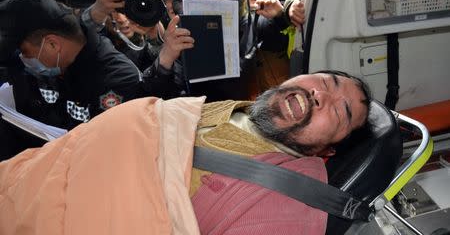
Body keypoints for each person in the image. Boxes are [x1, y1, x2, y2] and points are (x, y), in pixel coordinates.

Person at [0, 70, 371, 234]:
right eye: (325, 81)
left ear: (327, 150)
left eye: (341, 112)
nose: (321, 95)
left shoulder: (286, 208)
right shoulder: (234, 108)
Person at [0, 0, 194, 130]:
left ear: (52, 44)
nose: (24, 59)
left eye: (25, 52)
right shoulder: (52, 67)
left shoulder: (116, 79)